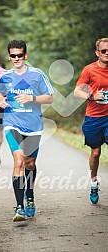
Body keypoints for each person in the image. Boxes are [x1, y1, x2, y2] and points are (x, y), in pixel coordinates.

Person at [0, 40, 54, 222]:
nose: (17, 58)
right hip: (12, 122)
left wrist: (31, 97)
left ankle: (30, 194)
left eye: (20, 55)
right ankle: (19, 207)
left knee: (30, 163)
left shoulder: (37, 75)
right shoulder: (5, 76)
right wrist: (0, 100)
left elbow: (50, 98)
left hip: (34, 126)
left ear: (25, 56)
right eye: (13, 55)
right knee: (18, 161)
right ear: (9, 57)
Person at [74, 38, 108, 204]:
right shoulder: (90, 70)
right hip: (94, 117)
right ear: (97, 53)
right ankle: (94, 182)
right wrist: (92, 96)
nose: (107, 53)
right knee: (95, 152)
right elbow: (77, 91)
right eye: (104, 51)